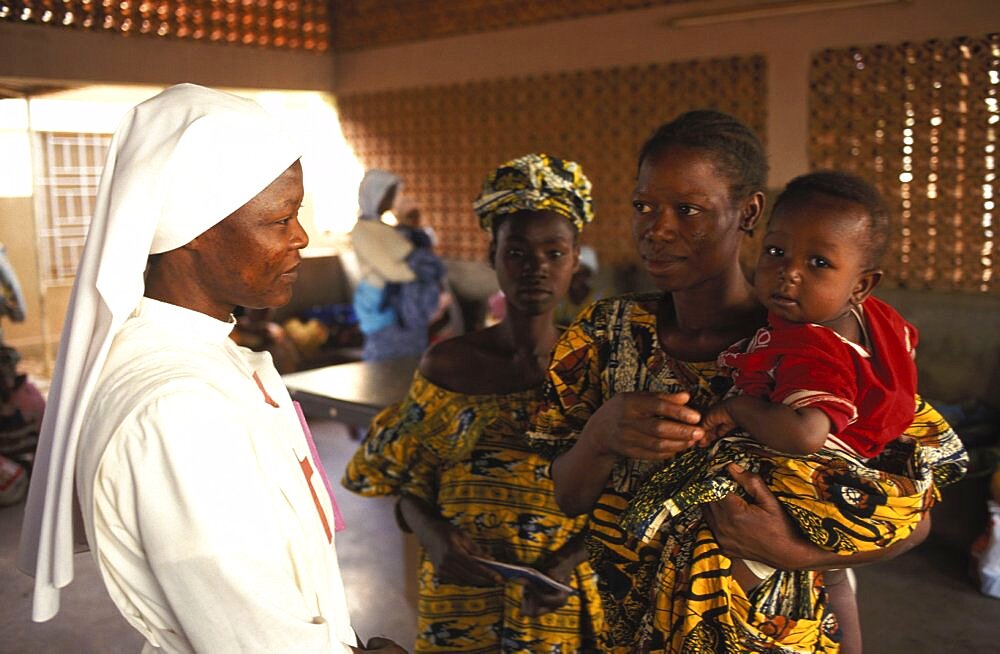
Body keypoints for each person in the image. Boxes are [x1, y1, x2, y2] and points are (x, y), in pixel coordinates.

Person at [528, 110, 968, 653]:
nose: (657, 229)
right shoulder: (602, 334)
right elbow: (568, 497)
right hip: (635, 634)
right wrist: (600, 436)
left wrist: (800, 553)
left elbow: (914, 517)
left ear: (749, 212)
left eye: (688, 210)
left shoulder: (819, 341)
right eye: (644, 205)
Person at [17, 84, 405, 654]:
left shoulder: (207, 355)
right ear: (190, 235)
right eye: (280, 219)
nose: (300, 237)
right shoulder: (178, 411)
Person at [343, 153, 602, 653]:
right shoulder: (449, 366)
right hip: (463, 599)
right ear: (493, 256)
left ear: (576, 259)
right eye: (518, 253)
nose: (536, 270)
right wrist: (435, 537)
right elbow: (406, 482)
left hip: (559, 603)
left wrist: (563, 565)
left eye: (554, 253)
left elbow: (626, 497)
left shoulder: (597, 367)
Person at [350, 171, 445, 361]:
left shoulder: (383, 228)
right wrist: (420, 272)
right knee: (388, 361)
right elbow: (392, 271)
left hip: (400, 302)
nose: (395, 199)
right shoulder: (363, 231)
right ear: (377, 196)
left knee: (409, 359)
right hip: (380, 301)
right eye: (391, 194)